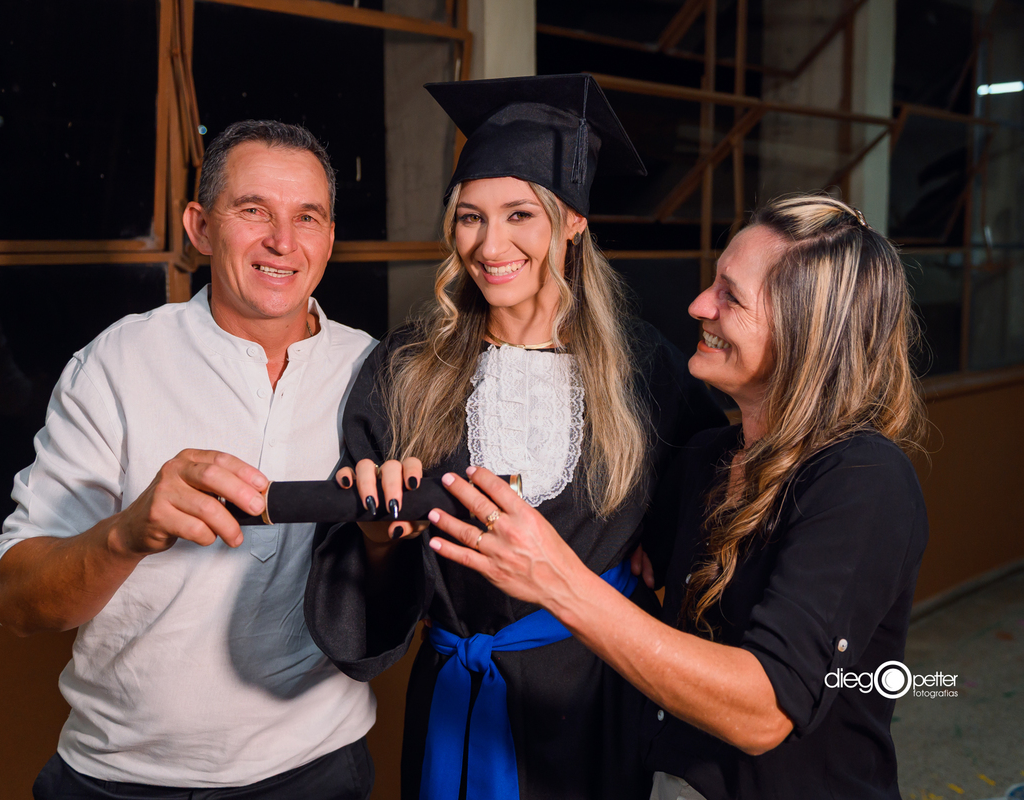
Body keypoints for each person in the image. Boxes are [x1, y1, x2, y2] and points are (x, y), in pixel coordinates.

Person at [304, 74, 725, 800]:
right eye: (470, 217)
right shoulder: (407, 368)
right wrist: (377, 541)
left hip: (594, 704)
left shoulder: (642, 367)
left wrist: (668, 545)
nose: (490, 244)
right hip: (456, 697)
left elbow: (706, 492)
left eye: (520, 214)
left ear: (573, 222)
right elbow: (363, 569)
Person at [425, 195, 929, 800]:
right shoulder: (707, 458)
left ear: (808, 335)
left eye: (730, 297)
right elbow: (635, 554)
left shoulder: (864, 479)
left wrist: (557, 579)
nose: (698, 305)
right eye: (713, 282)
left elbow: (764, 711)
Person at [0, 120, 378, 799]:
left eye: (306, 217)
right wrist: (125, 533)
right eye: (253, 210)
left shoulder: (373, 368)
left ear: (330, 238)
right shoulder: (117, 363)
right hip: (122, 775)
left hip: (320, 764)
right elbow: (16, 603)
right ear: (199, 227)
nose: (283, 241)